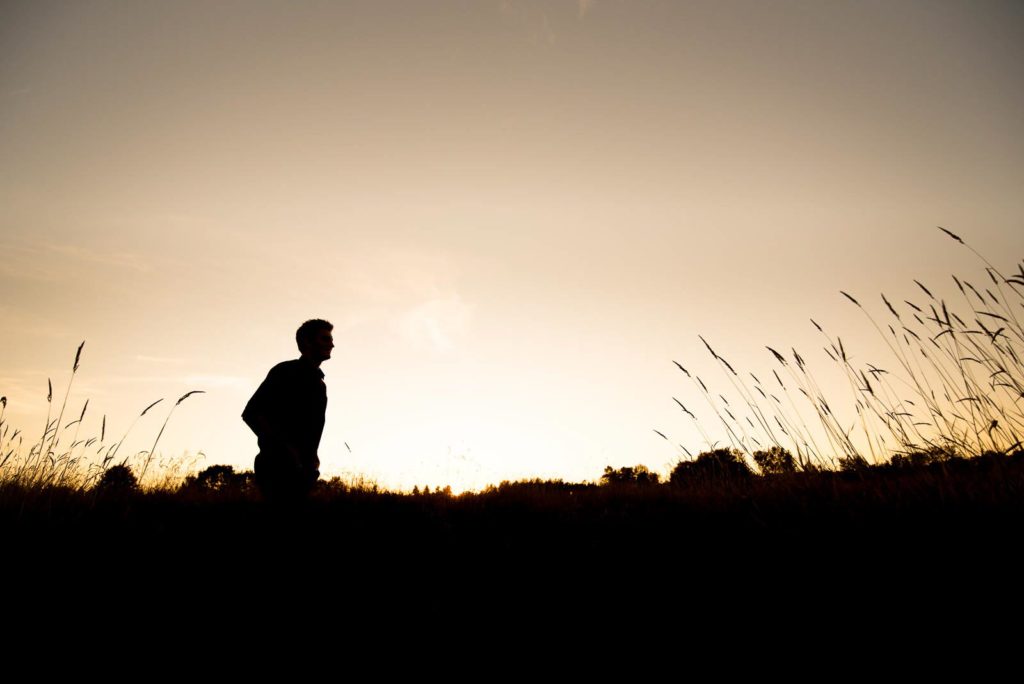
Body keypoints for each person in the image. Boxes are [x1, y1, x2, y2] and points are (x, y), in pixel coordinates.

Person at [243, 319, 333, 501]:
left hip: (304, 472)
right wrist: (283, 449)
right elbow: (251, 413)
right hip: (276, 469)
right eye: (325, 339)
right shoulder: (285, 372)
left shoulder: (319, 384)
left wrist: (312, 460)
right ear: (307, 342)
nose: (332, 344)